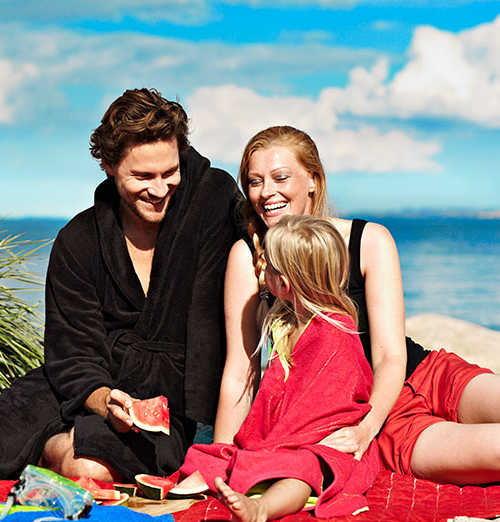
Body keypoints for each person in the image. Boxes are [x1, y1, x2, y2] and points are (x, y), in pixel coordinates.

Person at [0, 88, 242, 483]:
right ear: (108, 164)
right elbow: (71, 353)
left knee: (86, 468)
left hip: (170, 402)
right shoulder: (78, 241)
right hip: (84, 387)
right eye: (142, 176)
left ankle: (54, 449)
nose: (159, 189)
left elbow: (281, 241)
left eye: (169, 172)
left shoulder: (214, 201)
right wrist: (104, 401)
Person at [214, 125, 500, 487]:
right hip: (384, 422)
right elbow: (241, 372)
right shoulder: (247, 257)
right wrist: (217, 460)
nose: (266, 192)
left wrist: (367, 427)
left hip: (426, 375)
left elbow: (391, 356)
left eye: (280, 177)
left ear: (313, 180)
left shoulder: (369, 240)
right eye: (254, 181)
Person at [182, 215, 379, 522]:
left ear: (284, 284)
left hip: (328, 443)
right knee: (210, 454)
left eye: (269, 268)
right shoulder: (287, 324)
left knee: (303, 468)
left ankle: (260, 510)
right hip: (287, 436)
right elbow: (279, 397)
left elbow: (334, 402)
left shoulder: (336, 330)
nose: (263, 273)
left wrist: (284, 441)